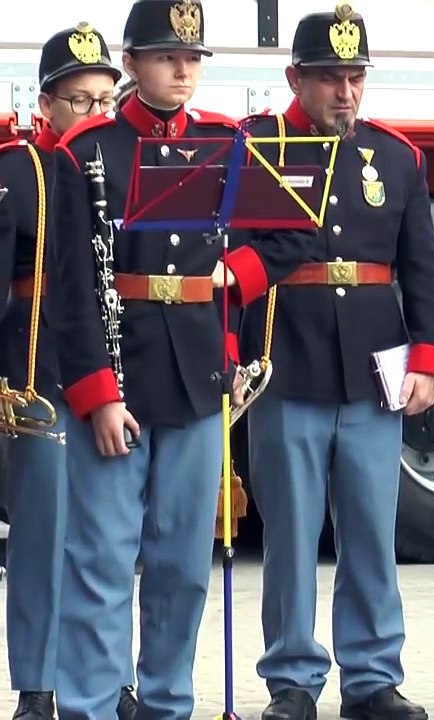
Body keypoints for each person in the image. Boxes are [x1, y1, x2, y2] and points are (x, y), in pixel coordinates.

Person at [218, 4, 434, 719]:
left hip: (375, 364)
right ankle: (291, 678)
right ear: (294, 77)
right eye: (328, 79)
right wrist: (229, 353)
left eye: (355, 77)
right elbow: (225, 266)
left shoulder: (397, 155)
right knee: (288, 535)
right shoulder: (257, 145)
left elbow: (422, 269)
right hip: (286, 360)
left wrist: (430, 360)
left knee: (371, 531)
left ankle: (373, 677)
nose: (345, 93)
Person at [48, 1, 247, 717]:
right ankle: (91, 704)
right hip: (118, 378)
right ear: (130, 64)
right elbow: (70, 288)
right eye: (167, 56)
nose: (183, 69)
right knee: (101, 560)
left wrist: (238, 282)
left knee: (182, 564)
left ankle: (167, 701)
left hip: (196, 376)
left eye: (192, 57)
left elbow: (277, 235)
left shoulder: (227, 142)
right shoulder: (86, 151)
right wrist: (96, 392)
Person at [0, 23, 141, 720]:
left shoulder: (119, 165)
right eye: (78, 101)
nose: (93, 115)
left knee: (108, 543)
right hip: (40, 373)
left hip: (112, 374)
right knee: (42, 533)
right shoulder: (19, 171)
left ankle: (111, 676)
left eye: (103, 100)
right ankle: (36, 682)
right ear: (45, 102)